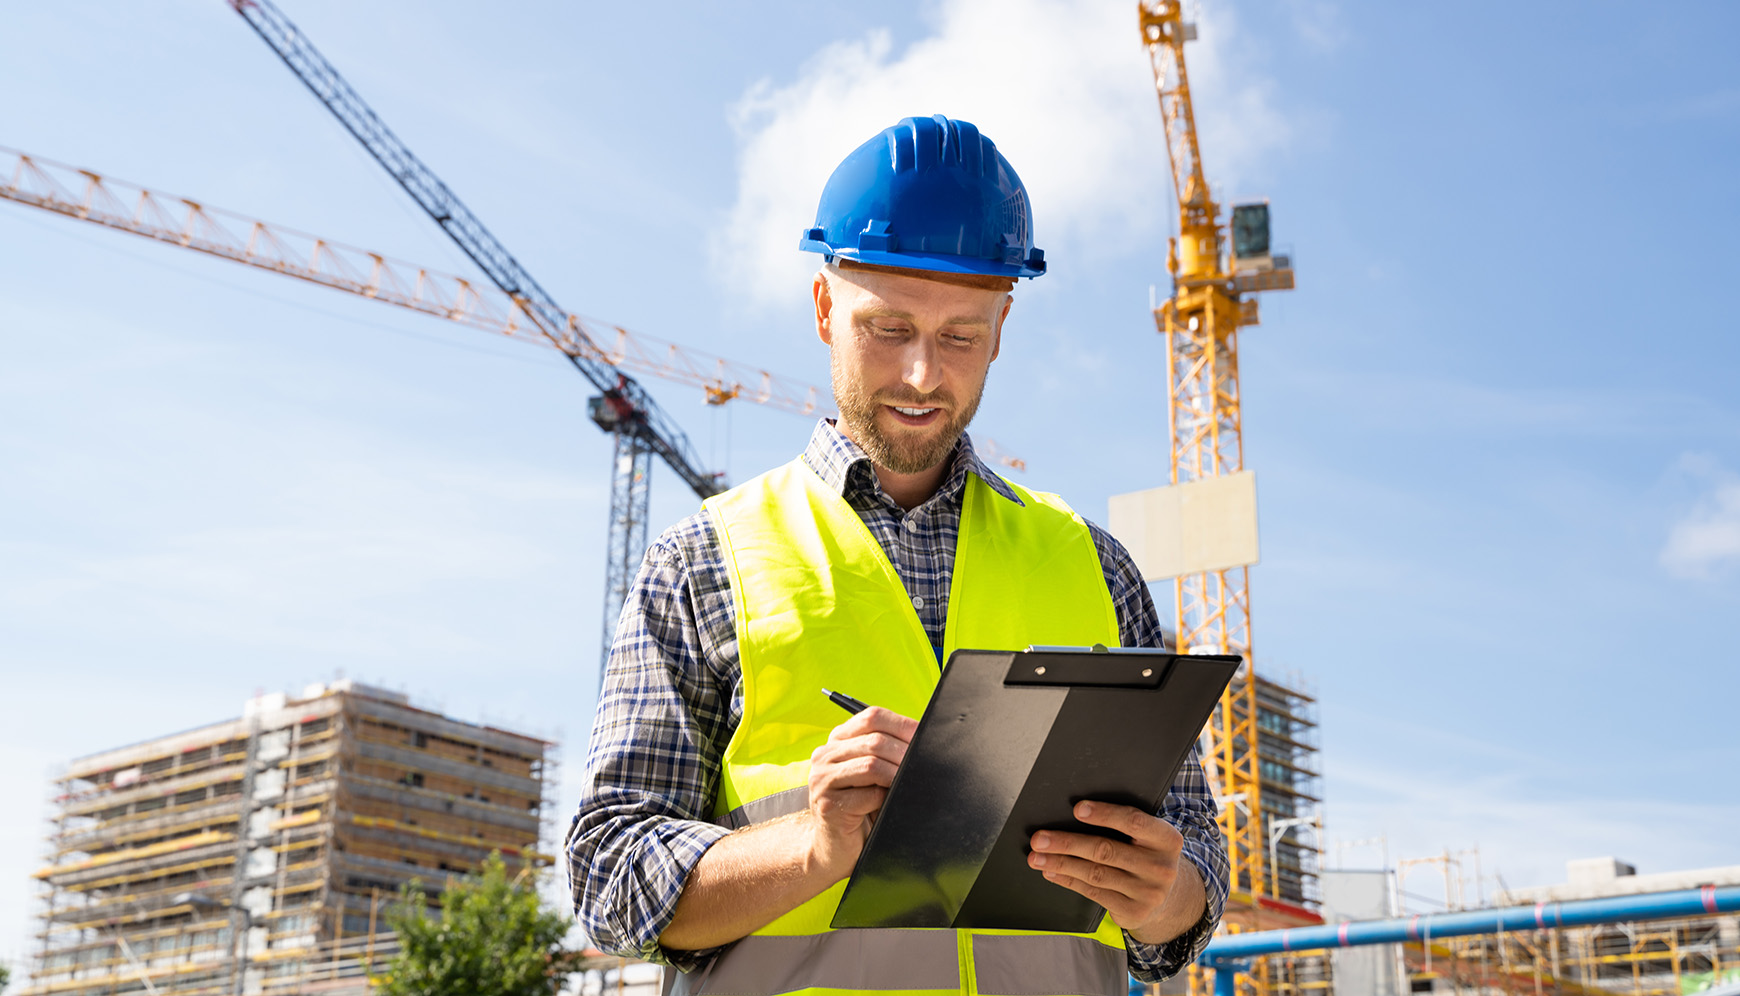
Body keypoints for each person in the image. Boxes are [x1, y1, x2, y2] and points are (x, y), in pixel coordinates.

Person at [566, 114, 1228, 996]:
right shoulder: (703, 562)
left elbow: (1196, 867)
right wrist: (813, 846)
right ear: (824, 309)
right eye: (888, 327)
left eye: (960, 336)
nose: (922, 374)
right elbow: (611, 877)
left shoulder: (1096, 567)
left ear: (1001, 328)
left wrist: (1162, 894)